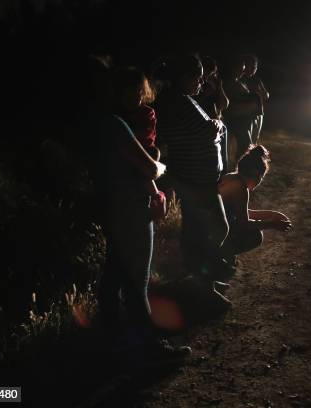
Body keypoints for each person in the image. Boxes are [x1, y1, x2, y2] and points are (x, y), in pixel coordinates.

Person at [71, 56, 189, 358]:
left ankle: (109, 337)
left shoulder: (89, 123)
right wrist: (159, 166)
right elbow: (149, 169)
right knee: (137, 279)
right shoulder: (115, 125)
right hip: (131, 207)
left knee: (114, 273)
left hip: (110, 204)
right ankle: (148, 347)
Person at [155, 54, 232, 285]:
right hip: (195, 178)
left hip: (196, 176)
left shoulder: (183, 100)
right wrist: (217, 126)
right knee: (215, 228)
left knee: (199, 229)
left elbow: (207, 127)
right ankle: (199, 279)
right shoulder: (179, 103)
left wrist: (214, 125)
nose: (202, 83)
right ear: (183, 78)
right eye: (198, 78)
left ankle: (203, 277)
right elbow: (207, 131)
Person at [218, 145, 292, 263]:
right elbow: (244, 224)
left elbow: (243, 213)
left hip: (207, 228)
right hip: (215, 233)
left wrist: (272, 215)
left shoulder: (230, 177)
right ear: (258, 176)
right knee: (256, 236)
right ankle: (220, 254)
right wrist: (272, 224)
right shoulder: (241, 188)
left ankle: (221, 253)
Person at [112, 66, 166, 222]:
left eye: (138, 93)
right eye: (128, 94)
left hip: (142, 155)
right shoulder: (116, 116)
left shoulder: (146, 113)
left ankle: (155, 196)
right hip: (128, 160)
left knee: (153, 153)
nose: (134, 98)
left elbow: (143, 141)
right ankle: (155, 195)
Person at [221, 55, 261, 163]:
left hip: (243, 119)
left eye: (243, 69)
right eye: (241, 69)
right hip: (236, 120)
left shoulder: (238, 81)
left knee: (245, 147)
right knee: (243, 148)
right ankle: (240, 172)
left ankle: (240, 170)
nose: (243, 71)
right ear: (233, 68)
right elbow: (228, 105)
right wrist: (248, 105)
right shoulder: (228, 83)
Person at [197, 56, 230, 174]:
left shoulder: (212, 85)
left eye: (213, 74)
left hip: (216, 123)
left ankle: (223, 174)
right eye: (208, 73)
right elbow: (194, 106)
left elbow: (224, 104)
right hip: (202, 125)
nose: (208, 77)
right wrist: (206, 93)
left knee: (223, 133)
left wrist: (219, 87)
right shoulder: (196, 86)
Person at [241, 54, 269, 143]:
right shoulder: (240, 79)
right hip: (247, 115)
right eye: (250, 66)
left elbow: (267, 95)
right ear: (245, 66)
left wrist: (260, 92)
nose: (252, 69)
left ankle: (251, 155)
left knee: (255, 139)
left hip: (259, 113)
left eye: (254, 67)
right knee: (246, 141)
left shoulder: (257, 80)